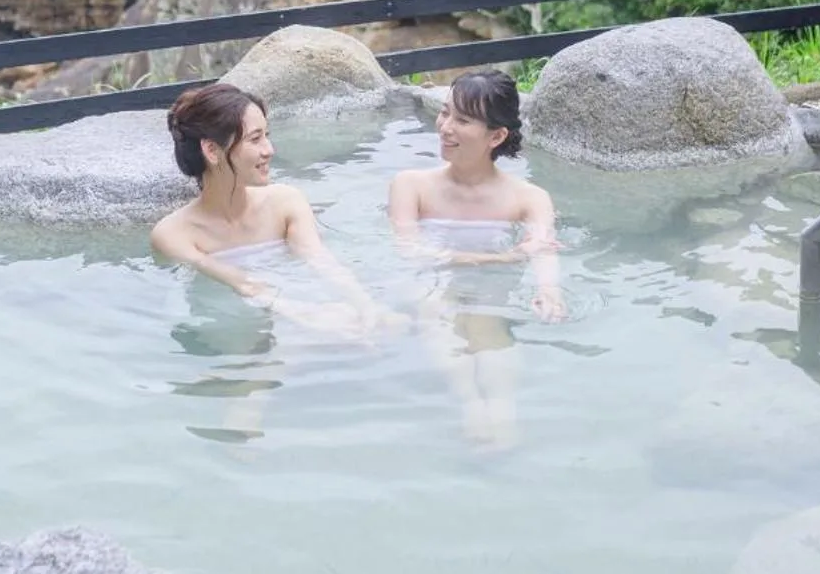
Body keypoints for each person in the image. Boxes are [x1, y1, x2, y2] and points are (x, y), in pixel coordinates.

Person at [388, 68, 565, 448]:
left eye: (462, 120)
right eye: (445, 113)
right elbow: (410, 251)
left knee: (487, 316)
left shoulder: (530, 198)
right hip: (432, 281)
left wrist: (549, 291)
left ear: (496, 136)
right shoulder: (411, 186)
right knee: (436, 305)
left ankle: (502, 413)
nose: (445, 127)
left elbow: (542, 249)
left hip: (486, 285)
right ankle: (470, 405)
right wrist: (498, 260)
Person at [150, 82, 381, 332]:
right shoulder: (173, 234)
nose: (269, 150)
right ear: (212, 150)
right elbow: (242, 283)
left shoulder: (285, 203)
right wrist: (305, 315)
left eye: (266, 136)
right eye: (255, 139)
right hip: (228, 329)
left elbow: (320, 260)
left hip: (284, 307)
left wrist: (367, 306)